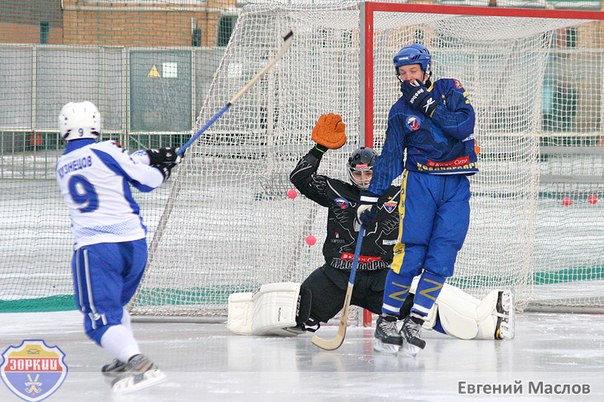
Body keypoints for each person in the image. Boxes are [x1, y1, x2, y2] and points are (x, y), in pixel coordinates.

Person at [227, 114, 512, 345]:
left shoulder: (397, 194)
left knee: (420, 312)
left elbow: (434, 193)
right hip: (337, 275)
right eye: (358, 173)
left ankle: (486, 324)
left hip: (381, 277)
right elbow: (299, 177)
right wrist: (319, 148)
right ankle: (249, 313)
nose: (363, 179)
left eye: (369, 173)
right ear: (350, 173)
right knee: (297, 316)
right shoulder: (336, 191)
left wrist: (451, 159)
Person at [357, 43, 479, 355]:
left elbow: (462, 125)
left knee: (443, 253)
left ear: (426, 70)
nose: (408, 78)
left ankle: (416, 320)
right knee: (411, 252)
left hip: (455, 183)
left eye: (413, 71)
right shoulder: (400, 111)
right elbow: (392, 158)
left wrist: (426, 104)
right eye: (402, 74)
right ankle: (387, 321)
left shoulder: (448, 89)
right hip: (421, 181)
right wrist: (370, 198)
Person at [55, 101, 182, 392]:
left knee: (98, 319)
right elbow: (147, 181)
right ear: (96, 124)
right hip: (134, 245)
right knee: (116, 306)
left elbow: (119, 162)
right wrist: (164, 166)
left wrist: (148, 158)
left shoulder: (63, 164)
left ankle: (139, 363)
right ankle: (124, 356)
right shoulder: (109, 150)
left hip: (96, 248)